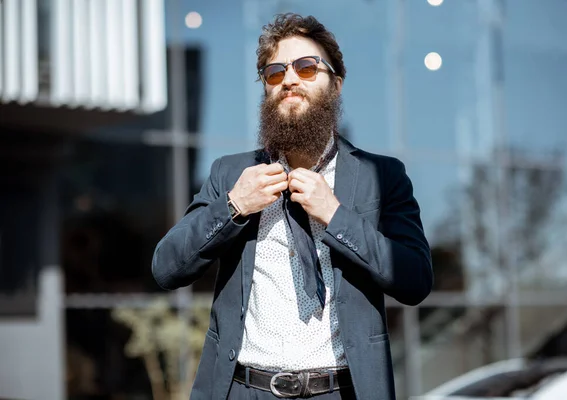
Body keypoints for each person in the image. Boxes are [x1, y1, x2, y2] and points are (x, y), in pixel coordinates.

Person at [152, 13, 433, 400]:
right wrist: (234, 206)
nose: (289, 79)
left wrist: (336, 216)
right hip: (245, 390)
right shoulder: (231, 173)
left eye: (306, 67)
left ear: (335, 85)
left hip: (340, 392)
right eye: (275, 72)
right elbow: (166, 268)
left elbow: (415, 280)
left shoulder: (382, 177)